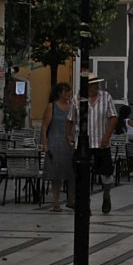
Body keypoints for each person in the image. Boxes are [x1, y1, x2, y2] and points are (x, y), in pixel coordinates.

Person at [82, 75, 118, 215]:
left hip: (101, 142)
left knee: (106, 173)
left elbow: (113, 117)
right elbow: (71, 118)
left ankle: (106, 196)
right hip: (85, 142)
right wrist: (69, 135)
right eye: (93, 84)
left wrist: (107, 136)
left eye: (97, 84)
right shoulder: (79, 98)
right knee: (84, 173)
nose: (96, 87)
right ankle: (86, 202)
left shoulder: (106, 97)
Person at [42, 82, 74, 213]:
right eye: (67, 92)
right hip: (55, 142)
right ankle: (56, 202)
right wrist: (45, 144)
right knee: (56, 174)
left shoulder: (72, 106)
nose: (68, 94)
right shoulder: (52, 107)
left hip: (69, 143)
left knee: (71, 172)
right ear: (60, 92)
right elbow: (44, 127)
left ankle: (71, 200)